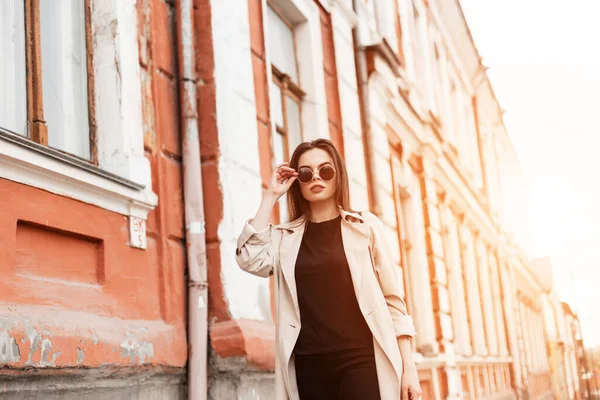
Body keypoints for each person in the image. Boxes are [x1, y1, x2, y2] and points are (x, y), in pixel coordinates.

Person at [235, 138, 421, 400]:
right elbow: (248, 259)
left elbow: (393, 302)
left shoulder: (364, 226)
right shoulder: (285, 238)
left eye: (325, 170)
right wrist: (271, 196)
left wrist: (409, 368)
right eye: (305, 173)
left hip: (362, 360)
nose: (316, 178)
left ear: (338, 175)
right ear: (297, 181)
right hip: (308, 366)